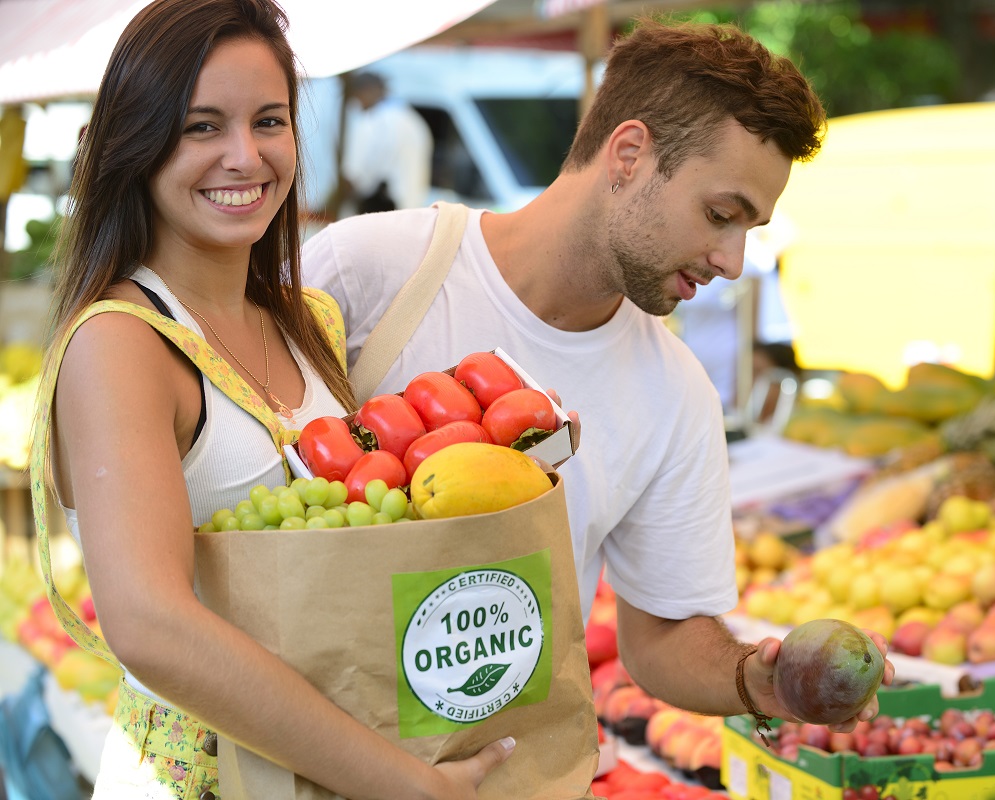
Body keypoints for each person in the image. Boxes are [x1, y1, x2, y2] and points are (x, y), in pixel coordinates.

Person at [303, 19, 893, 732]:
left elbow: (661, 639)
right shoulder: (365, 271)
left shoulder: (676, 394)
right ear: (630, 154)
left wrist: (753, 681)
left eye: (750, 230)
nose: (734, 261)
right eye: (720, 215)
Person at [32, 0, 512, 796]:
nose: (245, 156)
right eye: (201, 127)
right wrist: (401, 782)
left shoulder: (306, 319)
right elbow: (150, 625)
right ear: (136, 143)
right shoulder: (119, 342)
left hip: (331, 764)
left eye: (270, 121)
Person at [342, 70, 433, 214]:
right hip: (413, 212)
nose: (358, 105)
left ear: (367, 90)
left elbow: (354, 174)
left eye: (357, 98)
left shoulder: (371, 122)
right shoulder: (414, 120)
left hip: (380, 213)